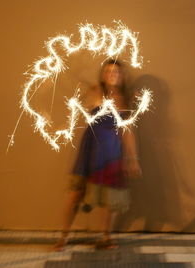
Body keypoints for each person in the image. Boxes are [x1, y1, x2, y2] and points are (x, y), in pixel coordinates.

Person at [53, 59, 142, 250]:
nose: (112, 75)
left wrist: (133, 159)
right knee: (76, 194)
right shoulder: (94, 90)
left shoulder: (126, 98)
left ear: (122, 76)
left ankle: (105, 237)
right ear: (103, 74)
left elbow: (128, 131)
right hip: (91, 148)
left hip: (112, 152)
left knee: (111, 197)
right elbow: (76, 80)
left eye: (116, 72)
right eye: (108, 71)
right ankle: (63, 238)